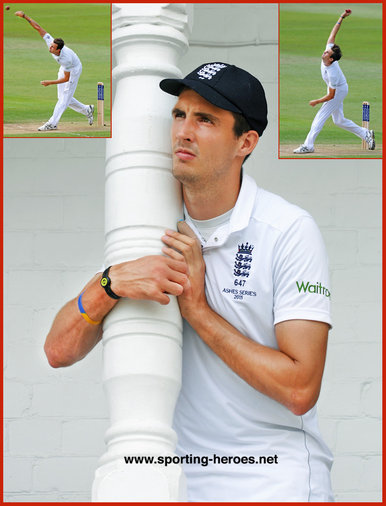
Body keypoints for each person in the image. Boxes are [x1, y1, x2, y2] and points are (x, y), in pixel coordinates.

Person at [45, 62, 334, 501]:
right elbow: (57, 352)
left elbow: (299, 390)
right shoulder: (148, 222)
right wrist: (108, 284)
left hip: (274, 476)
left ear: (245, 142)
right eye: (179, 115)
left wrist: (198, 310)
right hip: (176, 480)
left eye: (205, 120)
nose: (183, 131)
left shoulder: (288, 230)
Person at [293, 10, 375, 153]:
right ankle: (365, 133)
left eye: (327, 53)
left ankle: (308, 145)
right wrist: (341, 17)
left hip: (338, 91)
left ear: (331, 59)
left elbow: (331, 96)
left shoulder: (333, 74)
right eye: (326, 51)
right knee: (338, 120)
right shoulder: (329, 51)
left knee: (320, 116)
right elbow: (333, 34)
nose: (324, 52)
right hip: (335, 90)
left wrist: (316, 101)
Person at [15, 10, 94, 131]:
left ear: (59, 50)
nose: (50, 47)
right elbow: (38, 28)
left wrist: (49, 82)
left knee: (64, 99)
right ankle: (87, 109)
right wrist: (25, 16)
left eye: (53, 47)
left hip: (73, 69)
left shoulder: (65, 59)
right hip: (65, 69)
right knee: (62, 97)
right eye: (50, 45)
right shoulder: (51, 43)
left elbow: (66, 79)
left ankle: (52, 123)